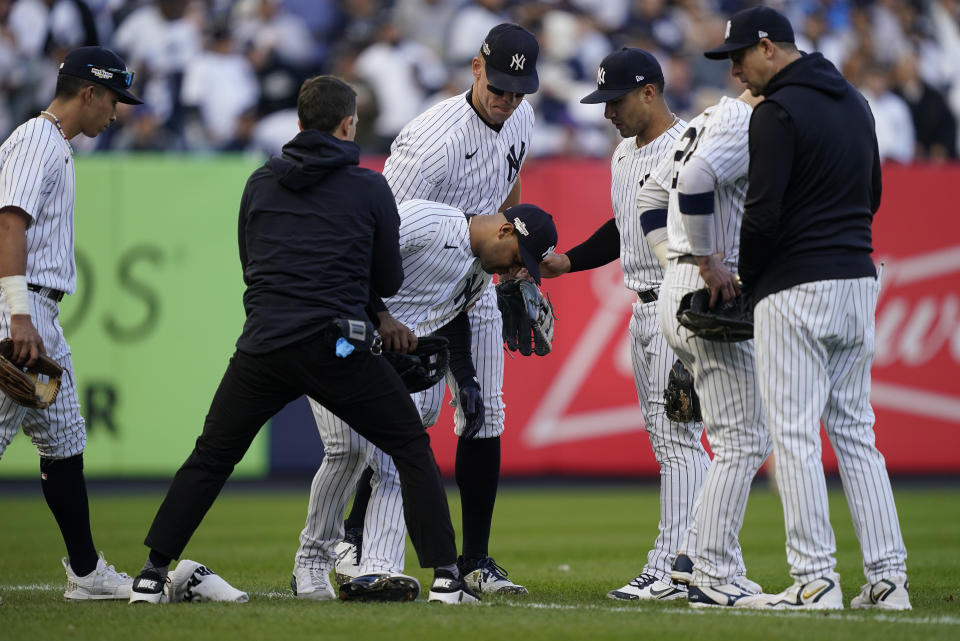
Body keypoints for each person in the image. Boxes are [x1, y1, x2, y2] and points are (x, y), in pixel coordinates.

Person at [127, 75, 472, 605]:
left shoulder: (261, 181)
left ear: (298, 123)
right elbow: (387, 282)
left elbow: (253, 267)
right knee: (407, 444)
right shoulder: (369, 186)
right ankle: (448, 578)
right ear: (347, 124)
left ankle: (151, 575)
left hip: (263, 346)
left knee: (211, 457)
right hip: (334, 349)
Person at [707, 5, 911, 610]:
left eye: (739, 57)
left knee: (793, 435)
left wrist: (747, 280)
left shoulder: (775, 112)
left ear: (768, 47)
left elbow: (762, 215)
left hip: (797, 288)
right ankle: (888, 579)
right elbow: (872, 193)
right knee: (856, 434)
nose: (736, 72)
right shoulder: (856, 101)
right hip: (857, 278)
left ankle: (815, 578)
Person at [328, 22, 539, 596]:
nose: (508, 101)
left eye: (519, 91)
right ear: (475, 67)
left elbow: (509, 182)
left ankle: (476, 559)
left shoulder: (521, 115)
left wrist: (515, 258)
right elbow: (380, 227)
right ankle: (354, 533)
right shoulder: (432, 140)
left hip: (475, 279)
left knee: (486, 412)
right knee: (405, 420)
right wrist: (377, 312)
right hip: (414, 292)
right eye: (499, 88)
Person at [293, 200, 557, 601]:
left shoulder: (477, 269)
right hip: (334, 335)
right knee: (346, 450)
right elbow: (346, 260)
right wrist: (381, 318)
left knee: (392, 454)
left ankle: (377, 568)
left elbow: (453, 318)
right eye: (518, 259)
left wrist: (466, 379)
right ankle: (312, 562)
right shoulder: (426, 221)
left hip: (379, 357)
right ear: (505, 232)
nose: (512, 272)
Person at [538, 47, 706, 602]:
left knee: (680, 443)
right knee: (676, 442)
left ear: (650, 92)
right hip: (643, 304)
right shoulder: (622, 152)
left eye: (616, 99)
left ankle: (672, 567)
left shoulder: (690, 146)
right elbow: (623, 227)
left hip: (679, 303)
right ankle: (700, 562)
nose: (608, 111)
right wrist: (570, 261)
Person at [0, 46, 141, 601]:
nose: (116, 113)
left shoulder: (52, 144)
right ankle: (86, 572)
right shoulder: (38, 138)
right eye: (112, 101)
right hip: (21, 308)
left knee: (64, 442)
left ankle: (86, 573)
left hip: (39, 311)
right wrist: (18, 315)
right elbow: (9, 224)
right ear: (89, 93)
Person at [638, 84, 770, 607]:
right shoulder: (742, 121)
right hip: (709, 288)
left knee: (734, 437)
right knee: (743, 440)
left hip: (684, 285)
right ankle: (708, 571)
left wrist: (673, 260)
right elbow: (692, 181)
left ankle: (713, 565)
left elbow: (650, 197)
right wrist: (703, 259)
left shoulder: (705, 120)